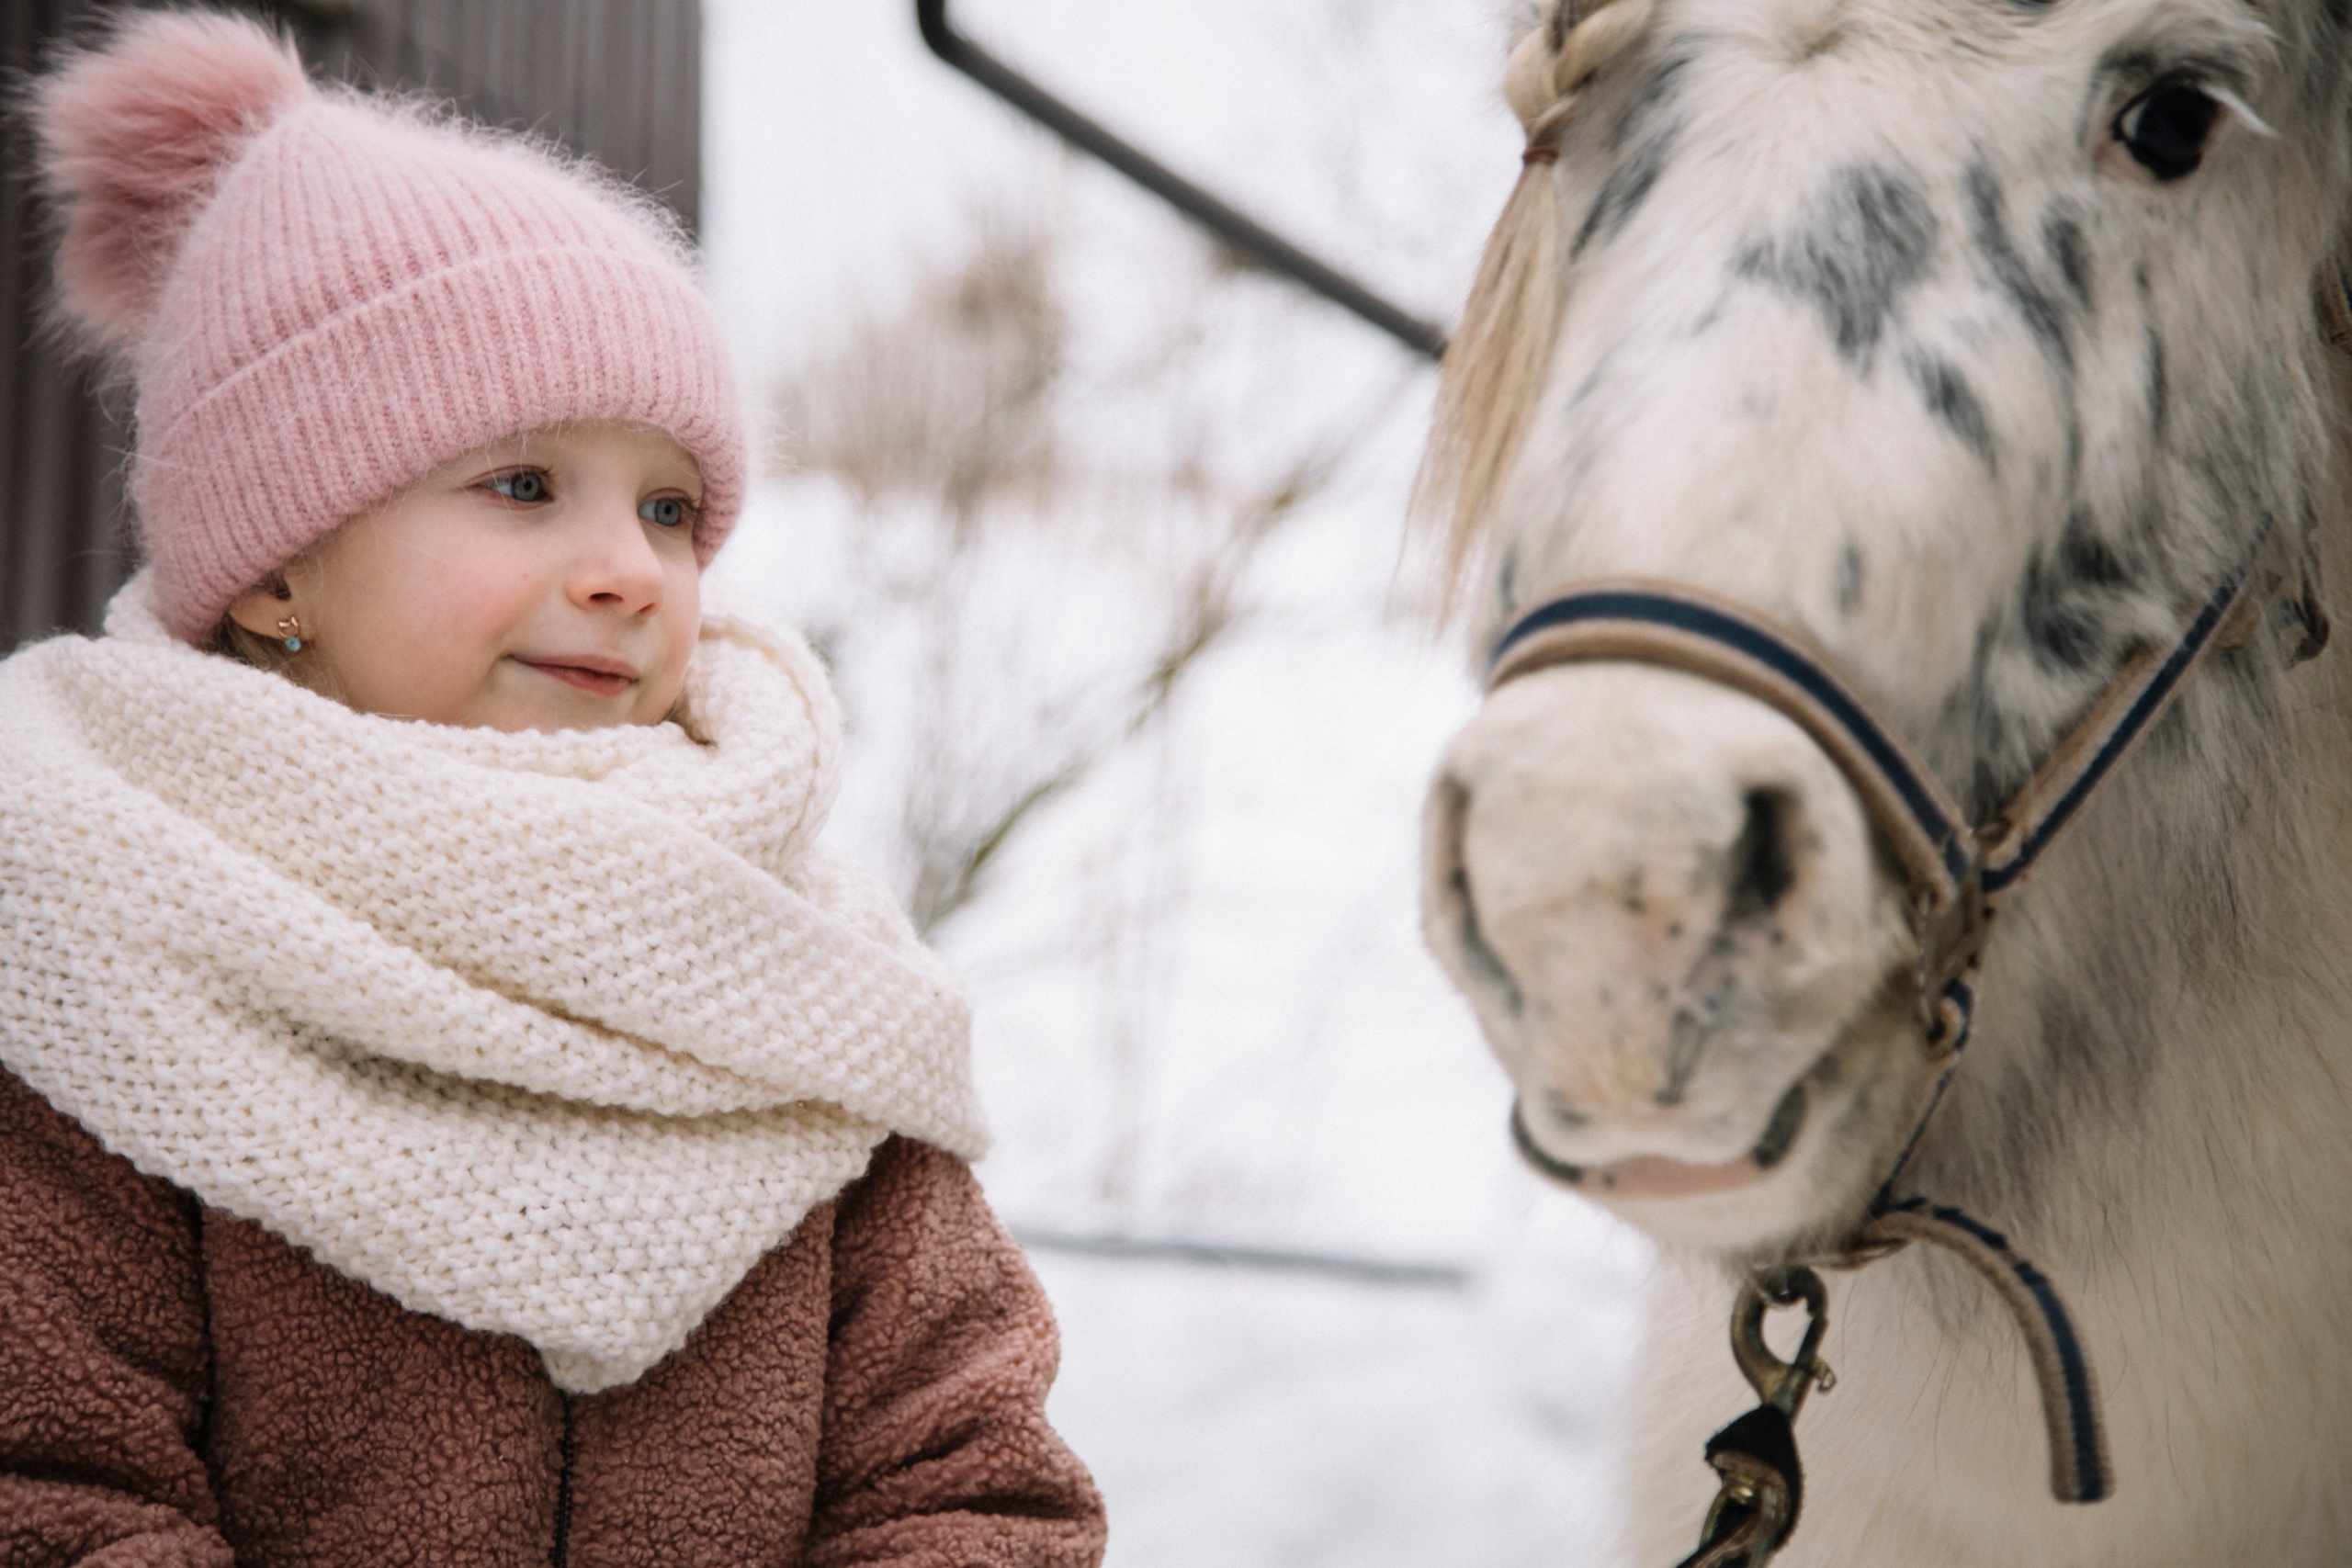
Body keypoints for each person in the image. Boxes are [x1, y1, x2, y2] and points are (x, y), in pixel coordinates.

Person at [0, 11, 1107, 1565]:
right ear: (273, 570)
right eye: (522, 487)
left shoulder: (791, 971)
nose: (627, 574)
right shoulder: (99, 934)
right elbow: (51, 1489)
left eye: (669, 509)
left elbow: (970, 1478)